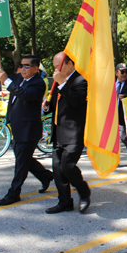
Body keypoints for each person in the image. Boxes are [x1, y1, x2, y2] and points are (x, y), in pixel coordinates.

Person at [0, 55, 53, 206]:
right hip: (16, 127)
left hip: (28, 129)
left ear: (36, 69)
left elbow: (23, 94)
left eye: (26, 66)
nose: (22, 69)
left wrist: (7, 81)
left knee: (21, 164)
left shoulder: (38, 84)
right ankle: (46, 176)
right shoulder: (18, 78)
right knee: (24, 159)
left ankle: (14, 193)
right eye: (21, 65)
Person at [42, 52, 90, 214]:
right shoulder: (58, 81)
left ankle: (84, 192)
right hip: (58, 131)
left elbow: (76, 101)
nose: (56, 69)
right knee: (57, 169)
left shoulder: (81, 80)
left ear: (70, 63)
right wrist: (47, 105)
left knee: (67, 166)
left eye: (59, 65)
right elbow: (58, 102)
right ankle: (64, 202)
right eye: (55, 66)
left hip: (73, 132)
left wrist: (62, 83)